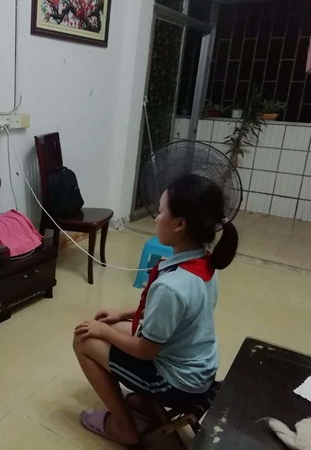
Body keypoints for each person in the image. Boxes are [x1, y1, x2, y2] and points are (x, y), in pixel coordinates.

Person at [73, 174, 239, 447]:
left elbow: (145, 351)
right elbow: (175, 314)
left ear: (180, 224)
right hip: (199, 369)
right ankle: (147, 403)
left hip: (177, 383)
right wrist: (123, 315)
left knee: (84, 338)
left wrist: (103, 331)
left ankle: (124, 427)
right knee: (112, 326)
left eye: (161, 212)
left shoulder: (172, 287)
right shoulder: (204, 262)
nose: (156, 218)